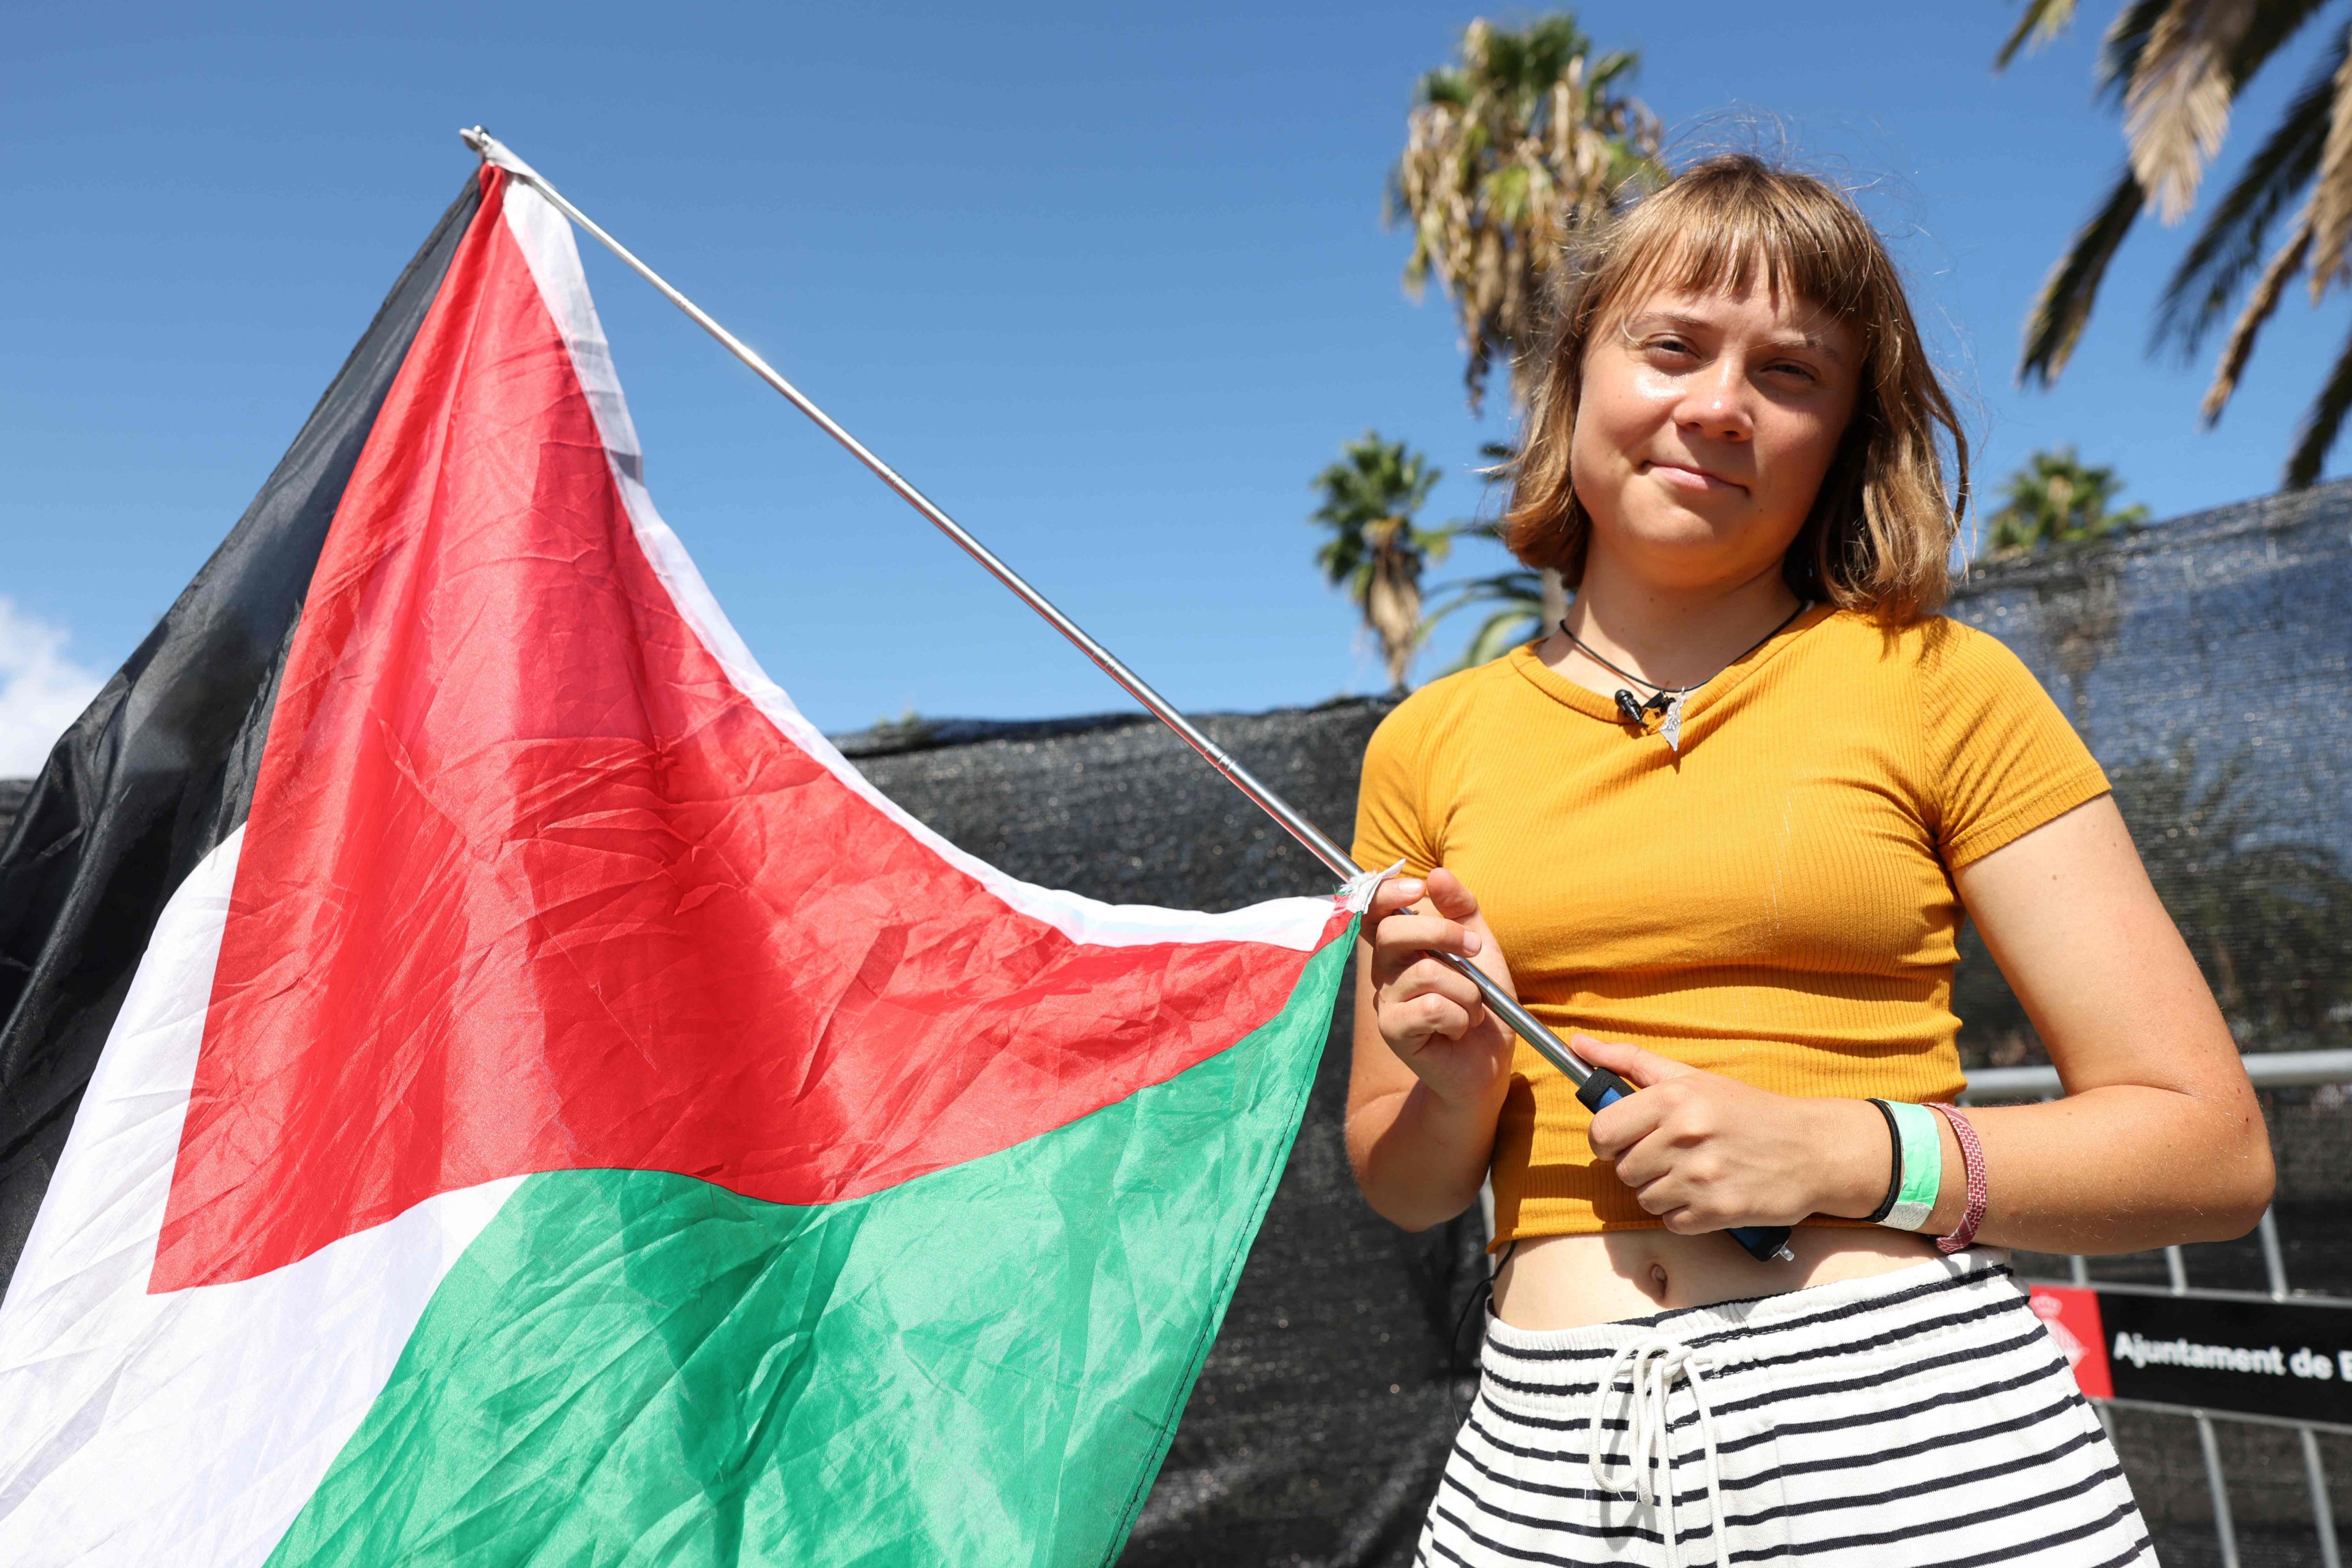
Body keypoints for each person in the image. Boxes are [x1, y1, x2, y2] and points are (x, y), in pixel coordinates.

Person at [1347, 153, 2271, 1567]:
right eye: (1668, 346)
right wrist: (1458, 1084)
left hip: (1919, 1455)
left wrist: (1843, 1148)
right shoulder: (1425, 742)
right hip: (1537, 1470)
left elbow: (2206, 1148)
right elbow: (1403, 1183)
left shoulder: (1941, 684)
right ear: (1575, 377)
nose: (1716, 405)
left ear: (1841, 432)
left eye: (1789, 374)